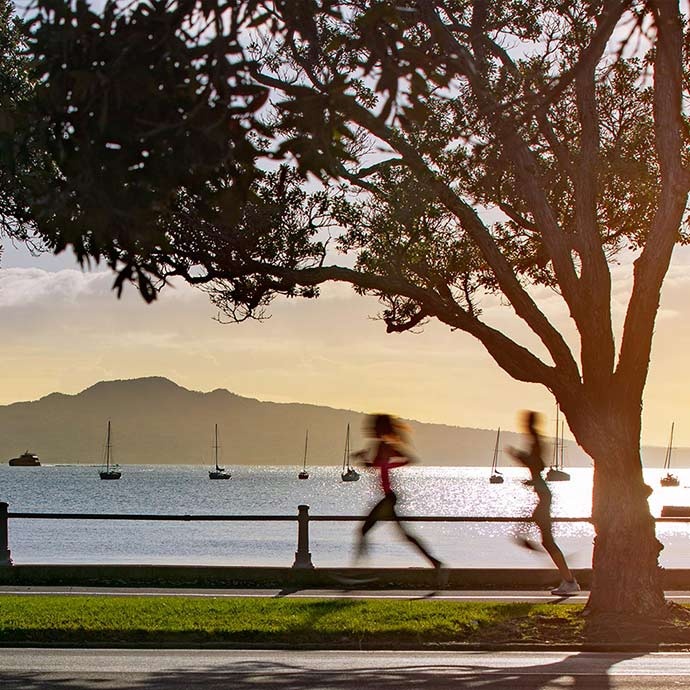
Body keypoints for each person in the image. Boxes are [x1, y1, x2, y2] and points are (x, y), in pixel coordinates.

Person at [352, 413, 442, 569]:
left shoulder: (383, 445)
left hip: (388, 498)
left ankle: (359, 571)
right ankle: (434, 562)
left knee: (363, 531)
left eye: (372, 426)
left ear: (378, 428)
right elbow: (378, 466)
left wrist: (370, 461)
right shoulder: (382, 445)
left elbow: (399, 461)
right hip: (389, 497)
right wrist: (369, 461)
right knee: (404, 536)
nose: (369, 428)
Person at [507, 410, 580, 596]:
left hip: (544, 497)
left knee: (542, 540)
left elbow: (538, 465)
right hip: (542, 495)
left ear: (530, 424)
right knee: (542, 540)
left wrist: (518, 456)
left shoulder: (536, 441)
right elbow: (537, 469)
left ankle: (568, 578)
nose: (523, 425)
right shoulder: (535, 441)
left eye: (526, 422)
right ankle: (566, 575)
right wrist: (531, 480)